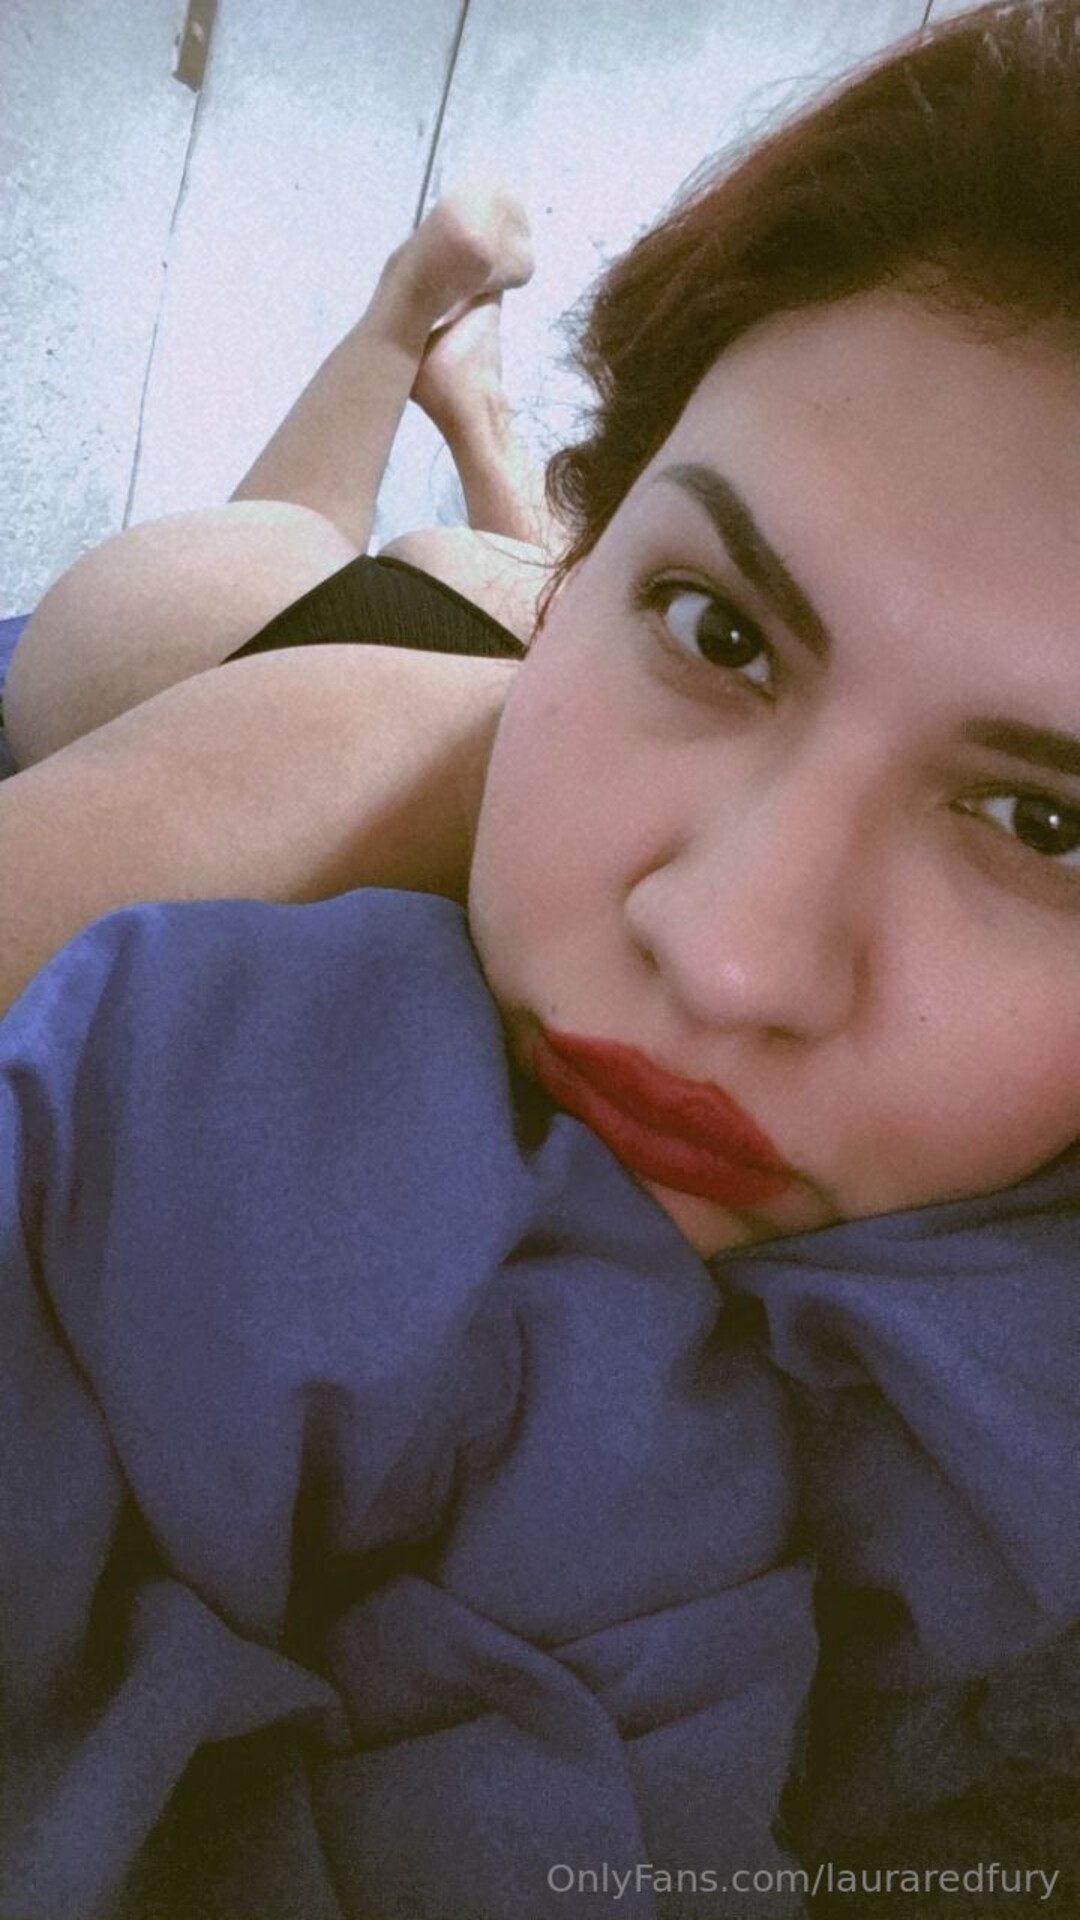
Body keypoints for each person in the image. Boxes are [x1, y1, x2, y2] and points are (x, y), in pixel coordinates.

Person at [1, 2, 1079, 1915]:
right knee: (222, 579)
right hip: (381, 661)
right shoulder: (313, 785)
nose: (726, 957)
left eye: (1045, 822)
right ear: (608, 580)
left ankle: (512, 467)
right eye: (722, 627)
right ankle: (406, 343)